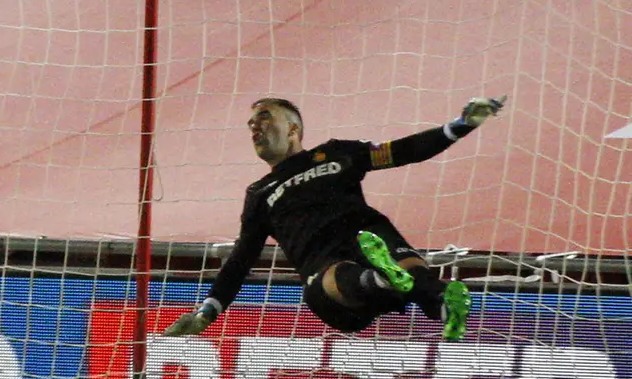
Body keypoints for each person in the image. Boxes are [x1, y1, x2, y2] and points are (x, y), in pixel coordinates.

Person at [164, 95, 507, 341]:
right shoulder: (260, 193)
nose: (255, 126)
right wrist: (207, 311)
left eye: (265, 117)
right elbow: (240, 259)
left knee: (398, 259)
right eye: (251, 123)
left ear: (293, 127)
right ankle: (391, 282)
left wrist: (461, 125)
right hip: (325, 267)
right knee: (337, 279)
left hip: (364, 232)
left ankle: (438, 303)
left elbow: (402, 151)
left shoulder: (339, 152)